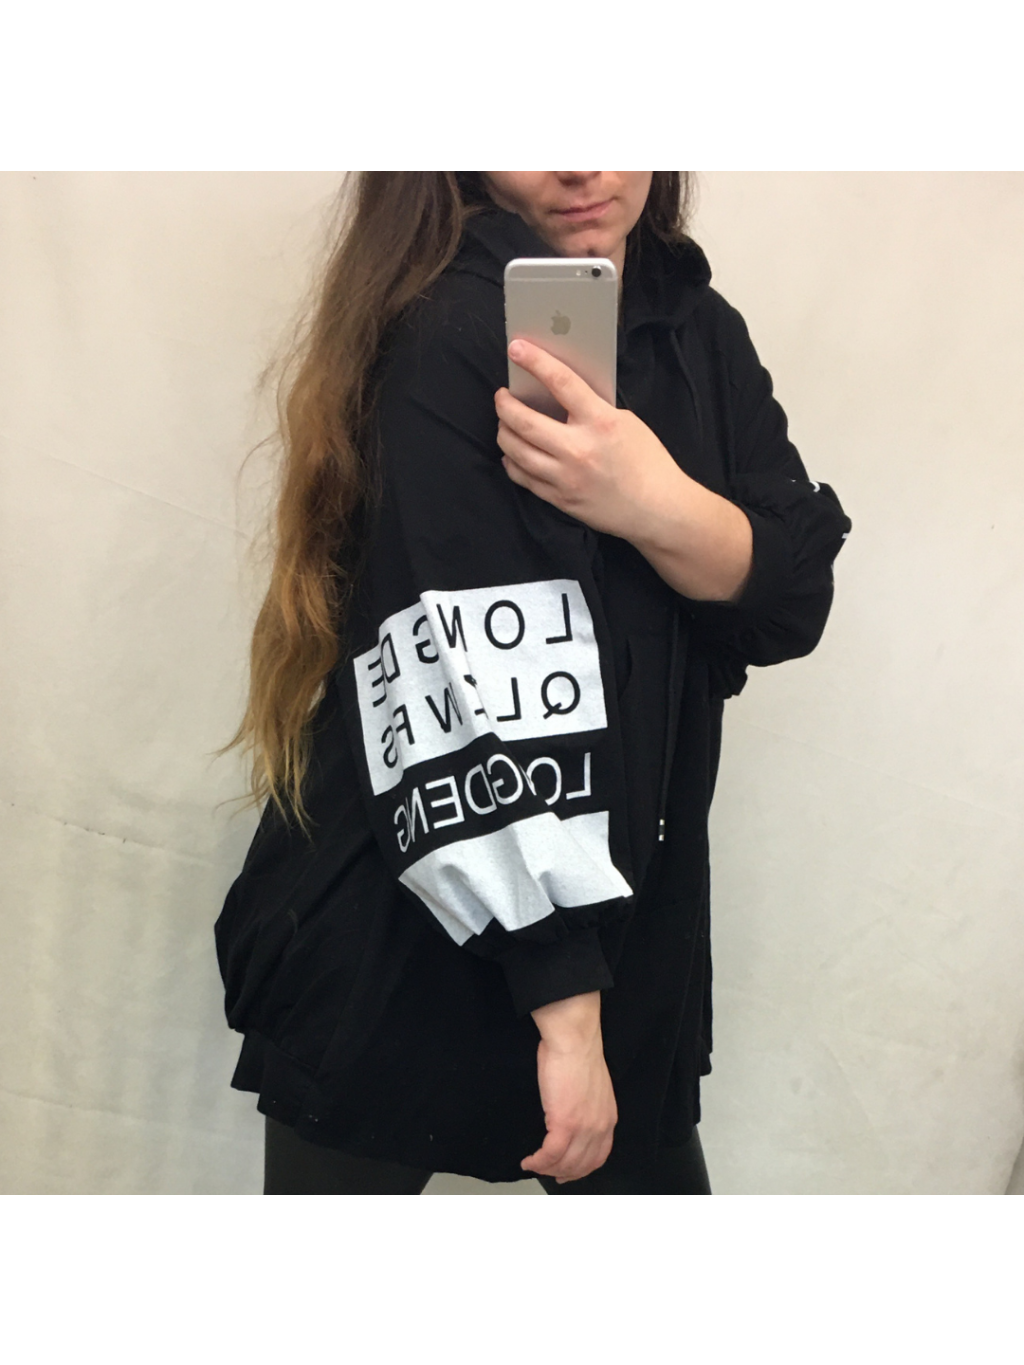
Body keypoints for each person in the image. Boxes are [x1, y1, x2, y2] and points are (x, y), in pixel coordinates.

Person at [216, 171, 851, 1196]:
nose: (581, 169)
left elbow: (791, 600)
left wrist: (649, 501)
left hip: (618, 942)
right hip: (404, 933)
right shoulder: (450, 326)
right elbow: (464, 679)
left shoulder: (700, 333)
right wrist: (566, 1008)